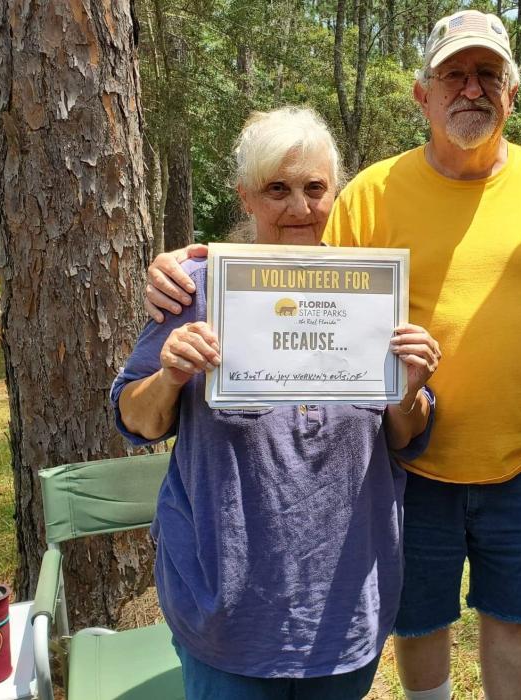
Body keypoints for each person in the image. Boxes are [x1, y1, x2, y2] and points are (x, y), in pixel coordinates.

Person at [145, 11, 521, 699]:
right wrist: (189, 266)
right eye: (453, 73)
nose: (472, 88)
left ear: (512, 93)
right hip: (408, 464)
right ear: (421, 94)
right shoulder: (369, 192)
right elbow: (286, 262)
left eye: (489, 74)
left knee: (515, 619)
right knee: (418, 621)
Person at [112, 106, 441, 699]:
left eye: (314, 188)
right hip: (228, 613)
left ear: (335, 192)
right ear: (246, 197)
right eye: (277, 189)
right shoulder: (197, 287)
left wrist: (409, 391)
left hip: (344, 607)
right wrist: (168, 376)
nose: (299, 207)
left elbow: (406, 435)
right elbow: (134, 419)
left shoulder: (370, 289)